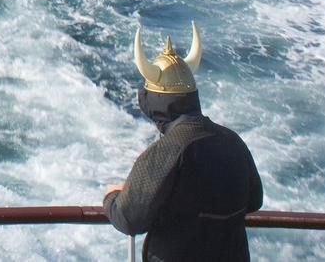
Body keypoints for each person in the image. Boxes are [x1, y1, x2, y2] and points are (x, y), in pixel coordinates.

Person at [103, 22, 264, 262]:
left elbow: (129, 217)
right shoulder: (233, 141)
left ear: (156, 102)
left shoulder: (167, 152)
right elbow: (253, 200)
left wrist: (112, 198)